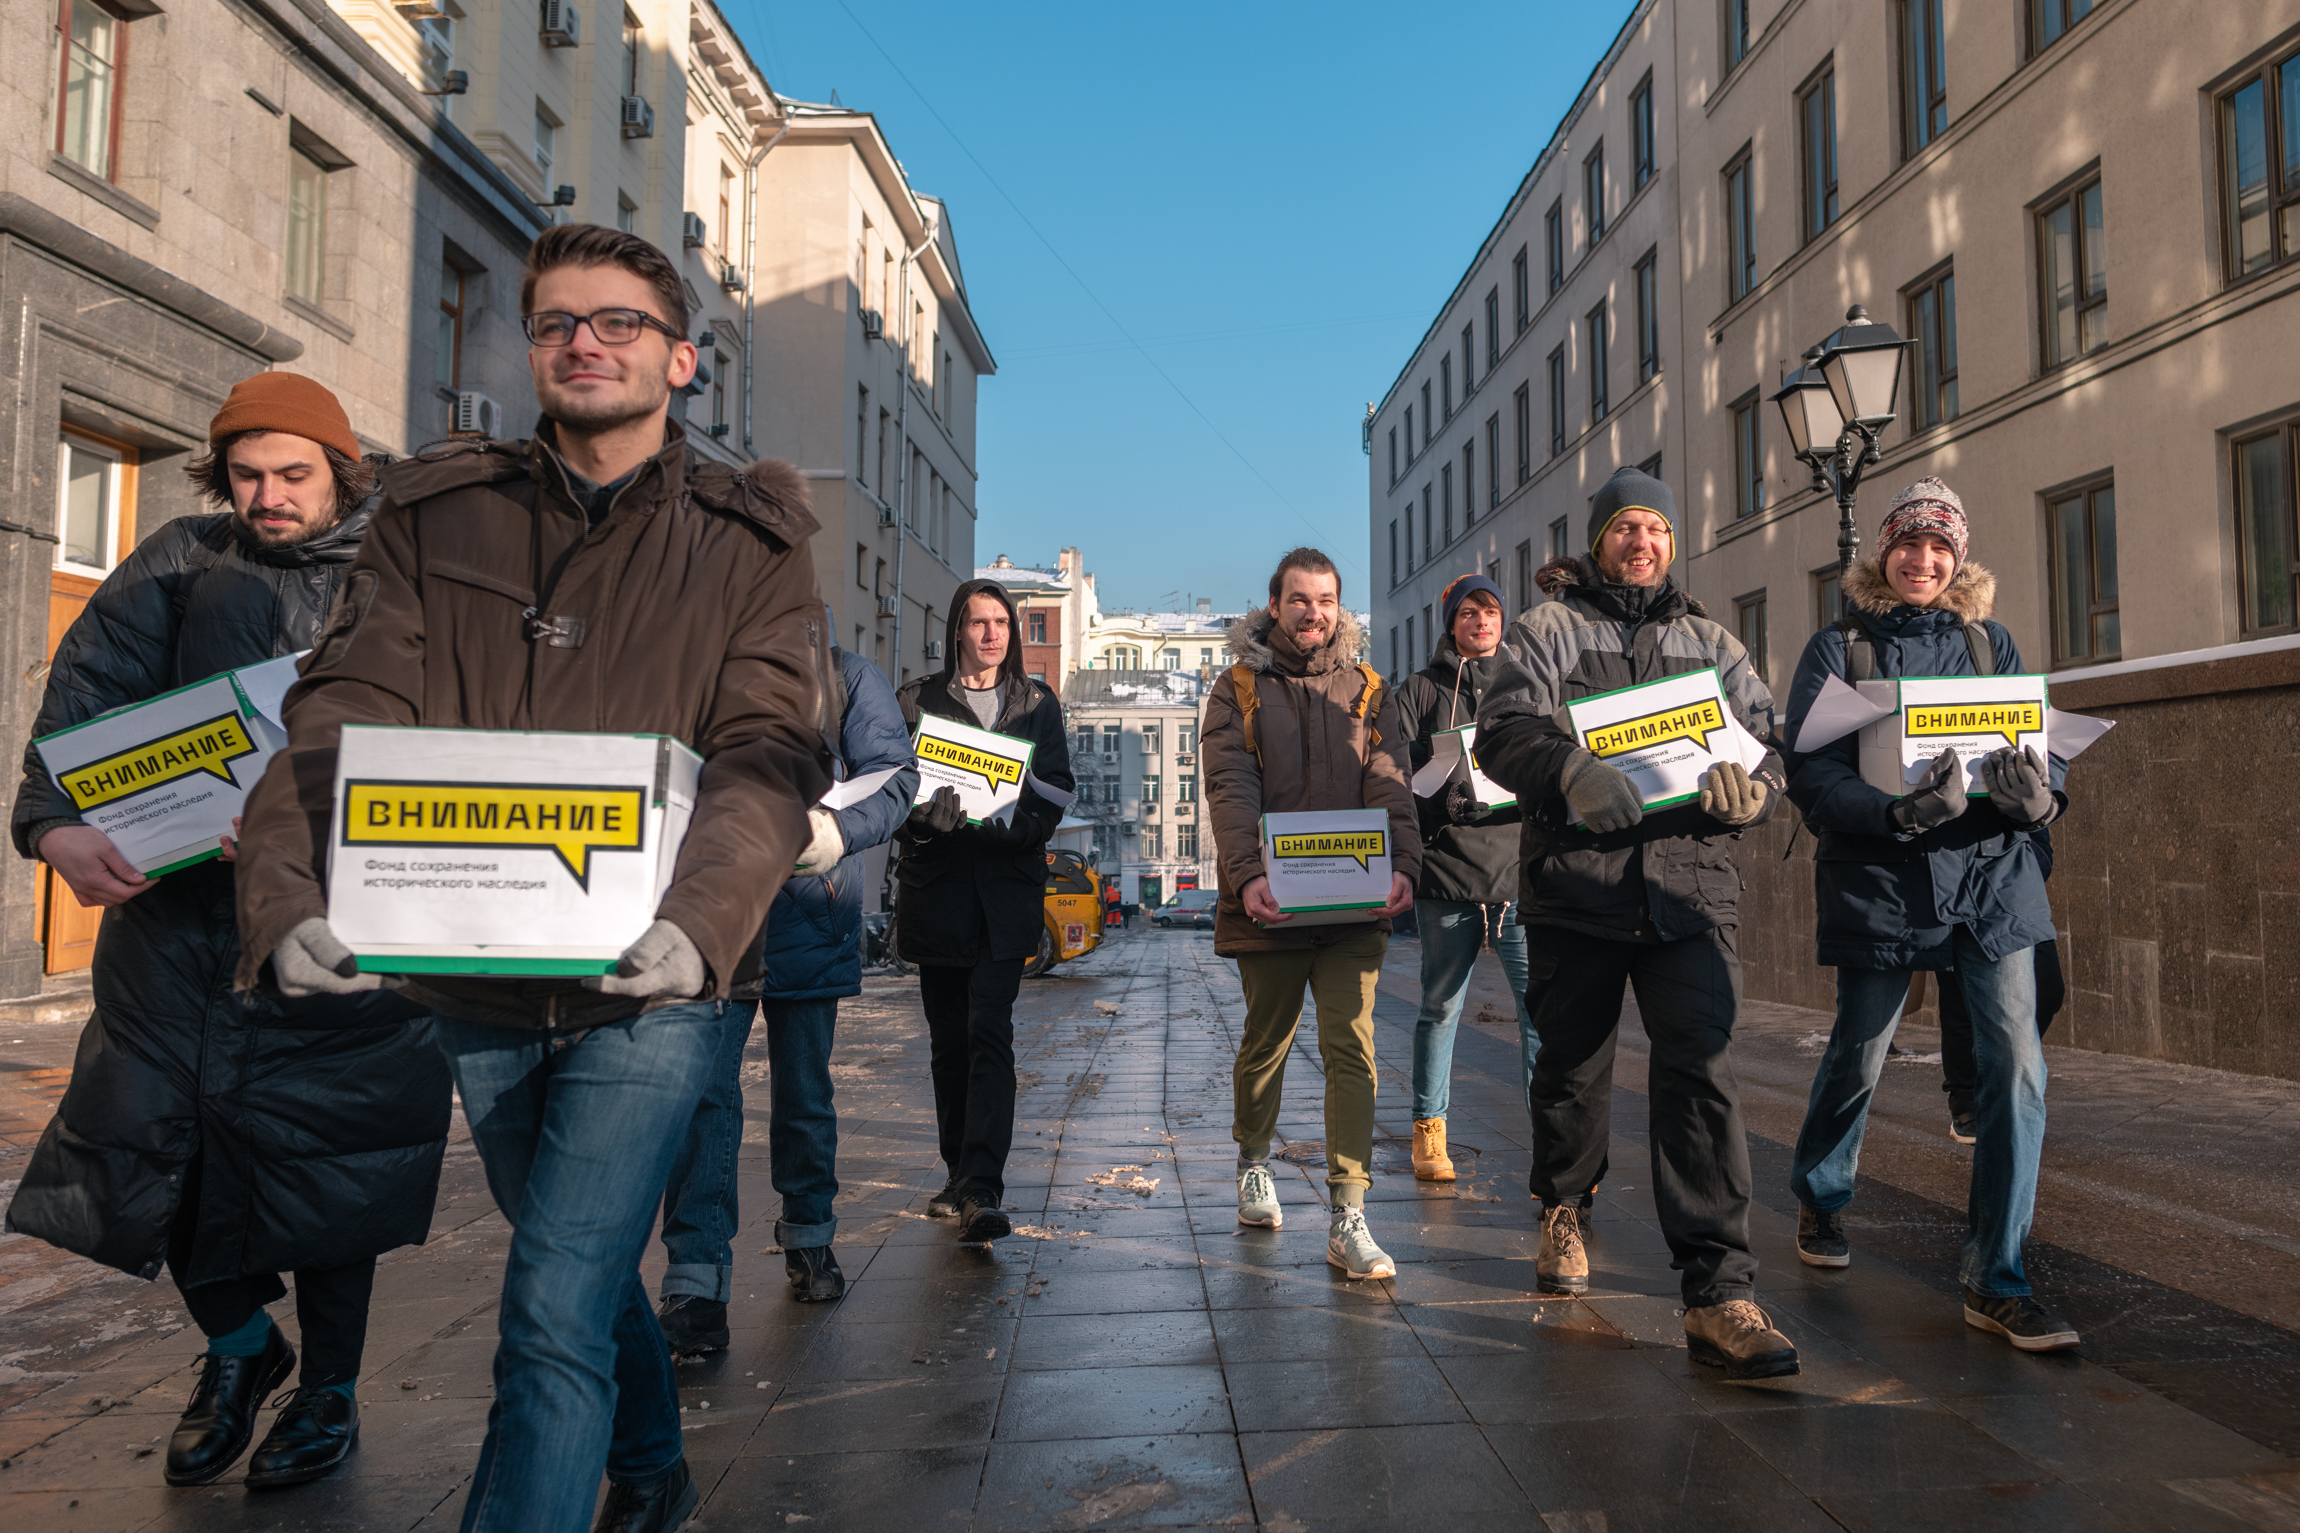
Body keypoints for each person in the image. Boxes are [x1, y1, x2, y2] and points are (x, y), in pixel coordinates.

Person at [232, 224, 833, 1533]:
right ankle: (658, 1470)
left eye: (618, 322)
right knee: (585, 1265)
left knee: (551, 1300)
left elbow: (771, 745)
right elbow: (337, 713)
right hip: (475, 979)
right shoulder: (438, 517)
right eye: (559, 321)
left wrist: (699, 923)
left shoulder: (750, 543)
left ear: (681, 360)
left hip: (657, 987)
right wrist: (290, 896)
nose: (584, 341)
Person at [6, 374, 448, 1489]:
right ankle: (243, 1348)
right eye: (245, 473)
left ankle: (330, 1392)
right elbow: (80, 714)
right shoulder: (180, 559)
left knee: (329, 1177)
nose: (266, 495)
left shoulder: (413, 573)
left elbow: (460, 739)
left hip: (340, 936)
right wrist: (55, 828)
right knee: (156, 1158)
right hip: (175, 937)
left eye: (291, 472)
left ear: (340, 468)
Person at [1474, 465, 1796, 1380]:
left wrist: (1754, 798)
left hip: (1690, 893)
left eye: (1656, 528)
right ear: (1598, 538)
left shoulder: (1712, 640)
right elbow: (1501, 731)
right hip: (1577, 888)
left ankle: (1718, 1288)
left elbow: (1768, 745)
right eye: (1626, 528)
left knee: (1701, 1077)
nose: (1642, 542)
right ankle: (1564, 1205)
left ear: (1670, 541)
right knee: (1573, 1066)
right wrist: (1570, 769)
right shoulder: (1545, 630)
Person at [1781, 478, 2078, 1353]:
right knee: (1861, 1050)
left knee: (2017, 1068)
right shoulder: (1840, 646)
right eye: (1909, 544)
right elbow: (1811, 770)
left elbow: (2038, 744)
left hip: (1994, 879)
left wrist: (2039, 800)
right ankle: (1820, 1190)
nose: (1923, 560)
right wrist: (1893, 813)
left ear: (1958, 557)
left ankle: (1998, 1276)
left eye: (1939, 547)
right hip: (1887, 878)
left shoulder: (1990, 642)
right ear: (1884, 550)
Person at [656, 640, 917, 1348]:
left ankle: (810, 1237)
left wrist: (838, 831)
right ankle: (695, 1276)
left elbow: (894, 775)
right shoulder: (700, 656)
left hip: (810, 907)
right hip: (716, 909)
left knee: (804, 1089)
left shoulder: (845, 675)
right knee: (705, 1095)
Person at [1203, 548, 1420, 1280]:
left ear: (1338, 609)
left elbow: (1391, 782)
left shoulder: (1367, 688)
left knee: (1352, 1050)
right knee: (1266, 1042)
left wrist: (1405, 864)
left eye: (1325, 600)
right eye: (1299, 599)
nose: (1313, 612)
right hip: (1269, 899)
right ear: (1274, 605)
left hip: (1353, 904)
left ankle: (1348, 1213)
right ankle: (1254, 1159)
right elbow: (1229, 786)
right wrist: (1248, 873)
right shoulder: (1237, 687)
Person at [894, 580, 1076, 1246]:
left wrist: (1015, 827)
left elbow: (1055, 788)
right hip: (937, 892)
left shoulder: (1037, 703)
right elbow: (890, 783)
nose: (993, 633)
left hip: (1005, 893)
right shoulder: (917, 700)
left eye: (1002, 622)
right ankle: (956, 1171)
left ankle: (982, 1186)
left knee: (988, 1030)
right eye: (979, 622)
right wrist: (920, 817)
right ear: (957, 631)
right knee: (949, 1043)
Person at [1396, 573, 1535, 1180]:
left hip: (1519, 876)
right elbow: (1389, 768)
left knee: (1540, 1015)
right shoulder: (1420, 691)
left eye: (1492, 611)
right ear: (1451, 622)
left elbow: (1554, 757)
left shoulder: (1528, 682)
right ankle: (1429, 1132)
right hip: (1448, 873)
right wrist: (1440, 800)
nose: (1482, 621)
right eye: (1469, 612)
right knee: (1440, 1007)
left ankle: (1553, 1139)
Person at [1938, 914, 2064, 1143]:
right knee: (1958, 992)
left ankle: (1997, 1078)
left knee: (2048, 987)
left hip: (2015, 894)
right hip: (1952, 895)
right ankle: (1965, 1100)